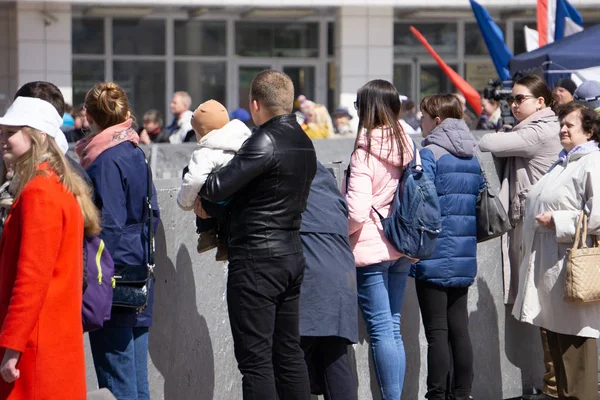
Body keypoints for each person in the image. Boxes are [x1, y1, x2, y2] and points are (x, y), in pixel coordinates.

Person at [199, 70, 316, 400]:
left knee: (256, 362)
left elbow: (214, 188)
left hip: (256, 260)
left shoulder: (265, 139)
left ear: (254, 104)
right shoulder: (304, 141)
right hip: (291, 253)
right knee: (289, 354)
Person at [0, 96, 100, 399]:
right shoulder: (54, 183)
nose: (3, 140)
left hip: (35, 345)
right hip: (51, 339)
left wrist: (11, 346)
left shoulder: (39, 191)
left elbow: (31, 279)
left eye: (11, 132)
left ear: (38, 136)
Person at [478, 74, 562, 400]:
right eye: (511, 99)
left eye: (519, 98)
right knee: (545, 309)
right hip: (535, 225)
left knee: (547, 309)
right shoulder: (532, 128)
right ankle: (555, 383)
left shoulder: (539, 129)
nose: (513, 105)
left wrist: (502, 131)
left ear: (540, 102)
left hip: (541, 229)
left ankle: (556, 386)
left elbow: (489, 144)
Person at [76, 82, 160, 400]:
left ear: (90, 116)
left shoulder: (105, 159)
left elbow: (107, 225)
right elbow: (153, 214)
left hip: (114, 279)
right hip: (138, 273)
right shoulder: (134, 151)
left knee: (117, 382)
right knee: (137, 383)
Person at [512, 102, 600, 400]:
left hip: (572, 270)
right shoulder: (563, 162)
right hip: (552, 271)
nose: (563, 128)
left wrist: (559, 221)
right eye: (561, 123)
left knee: (576, 362)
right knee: (560, 360)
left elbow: (598, 215)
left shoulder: (592, 163)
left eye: (570, 125)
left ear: (588, 131)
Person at [343, 79, 413, 400]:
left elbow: (356, 212)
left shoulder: (364, 152)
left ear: (366, 109)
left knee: (382, 331)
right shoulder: (408, 146)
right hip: (401, 244)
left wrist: (340, 237)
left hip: (371, 248)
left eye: (358, 106)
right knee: (393, 329)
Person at [413, 94, 482, 400]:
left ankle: (437, 394)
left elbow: (419, 199)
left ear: (437, 120)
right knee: (459, 329)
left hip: (433, 253)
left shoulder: (429, 154)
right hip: (465, 254)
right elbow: (479, 196)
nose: (420, 121)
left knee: (437, 332)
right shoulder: (472, 153)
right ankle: (463, 393)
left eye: (424, 116)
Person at [299, 162, 358, 400]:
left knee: (293, 359)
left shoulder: (287, 175)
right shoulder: (325, 179)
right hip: (342, 274)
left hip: (311, 275)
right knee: (334, 357)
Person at [177, 100, 251, 261]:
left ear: (201, 131)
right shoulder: (244, 143)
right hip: (238, 205)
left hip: (217, 206)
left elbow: (194, 179)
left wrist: (185, 203)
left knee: (191, 179)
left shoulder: (206, 152)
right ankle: (224, 245)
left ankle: (205, 234)